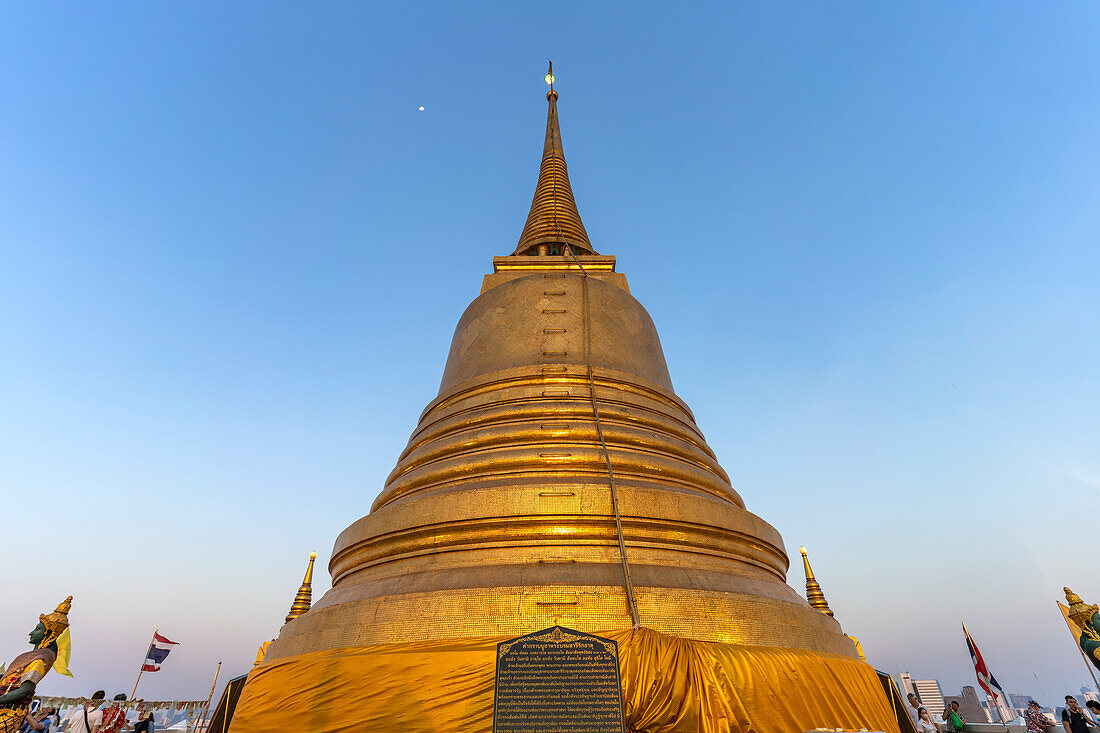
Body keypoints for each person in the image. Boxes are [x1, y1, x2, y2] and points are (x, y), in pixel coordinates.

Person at [0, 598, 72, 733]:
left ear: (48, 633)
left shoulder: (40, 659)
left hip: (10, 711)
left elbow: (25, 689)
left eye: (37, 629)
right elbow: (8, 677)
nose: (31, 633)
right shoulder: (31, 656)